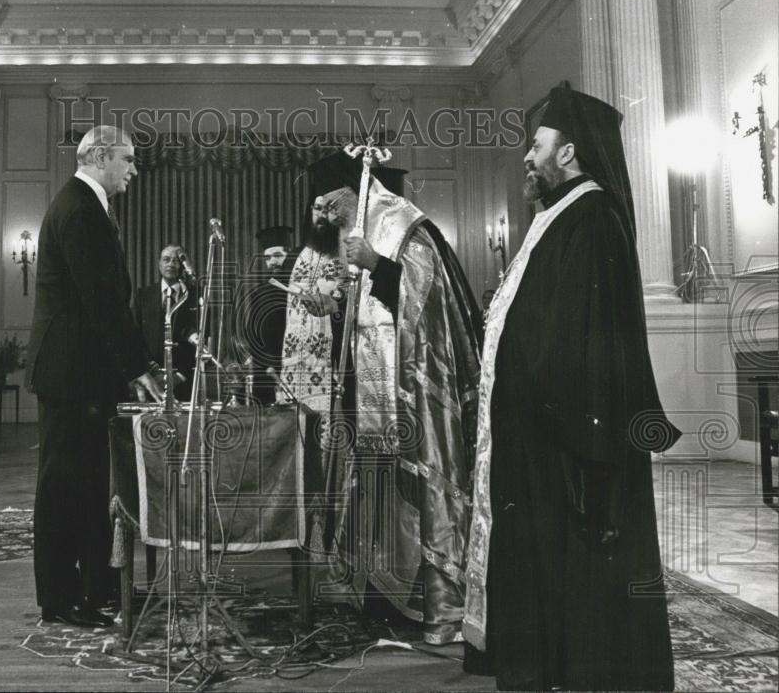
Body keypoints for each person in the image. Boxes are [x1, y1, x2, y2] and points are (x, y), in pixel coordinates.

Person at [463, 87, 680, 690]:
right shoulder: (559, 217)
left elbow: (588, 347)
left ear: (569, 152)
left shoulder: (592, 218)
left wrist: (582, 443)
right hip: (540, 436)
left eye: (536, 146)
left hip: (572, 444)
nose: (527, 158)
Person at [279, 149, 483, 645]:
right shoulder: (346, 235)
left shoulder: (406, 228)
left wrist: (377, 264)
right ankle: (375, 596)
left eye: (329, 207)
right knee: (368, 492)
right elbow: (358, 313)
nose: (324, 218)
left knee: (406, 495)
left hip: (406, 393)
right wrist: (334, 303)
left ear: (351, 194)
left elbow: (428, 295)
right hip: (362, 393)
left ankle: (423, 603)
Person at [25, 125, 163, 629]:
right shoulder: (81, 208)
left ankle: (94, 587)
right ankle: (61, 599)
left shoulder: (85, 204)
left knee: (85, 485)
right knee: (65, 486)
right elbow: (103, 301)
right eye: (128, 159)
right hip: (71, 373)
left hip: (79, 372)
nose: (133, 168)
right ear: (100, 155)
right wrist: (139, 367)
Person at [133, 244, 198, 400]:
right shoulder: (143, 296)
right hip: (148, 383)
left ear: (183, 266)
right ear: (159, 264)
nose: (170, 264)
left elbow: (202, 337)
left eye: (176, 261)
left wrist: (179, 376)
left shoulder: (195, 295)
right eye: (166, 260)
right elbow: (134, 335)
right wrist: (148, 372)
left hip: (185, 384)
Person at [241, 225, 295, 403]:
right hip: (266, 374)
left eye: (278, 256)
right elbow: (252, 334)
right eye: (267, 257)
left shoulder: (300, 289)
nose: (272, 262)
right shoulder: (260, 293)